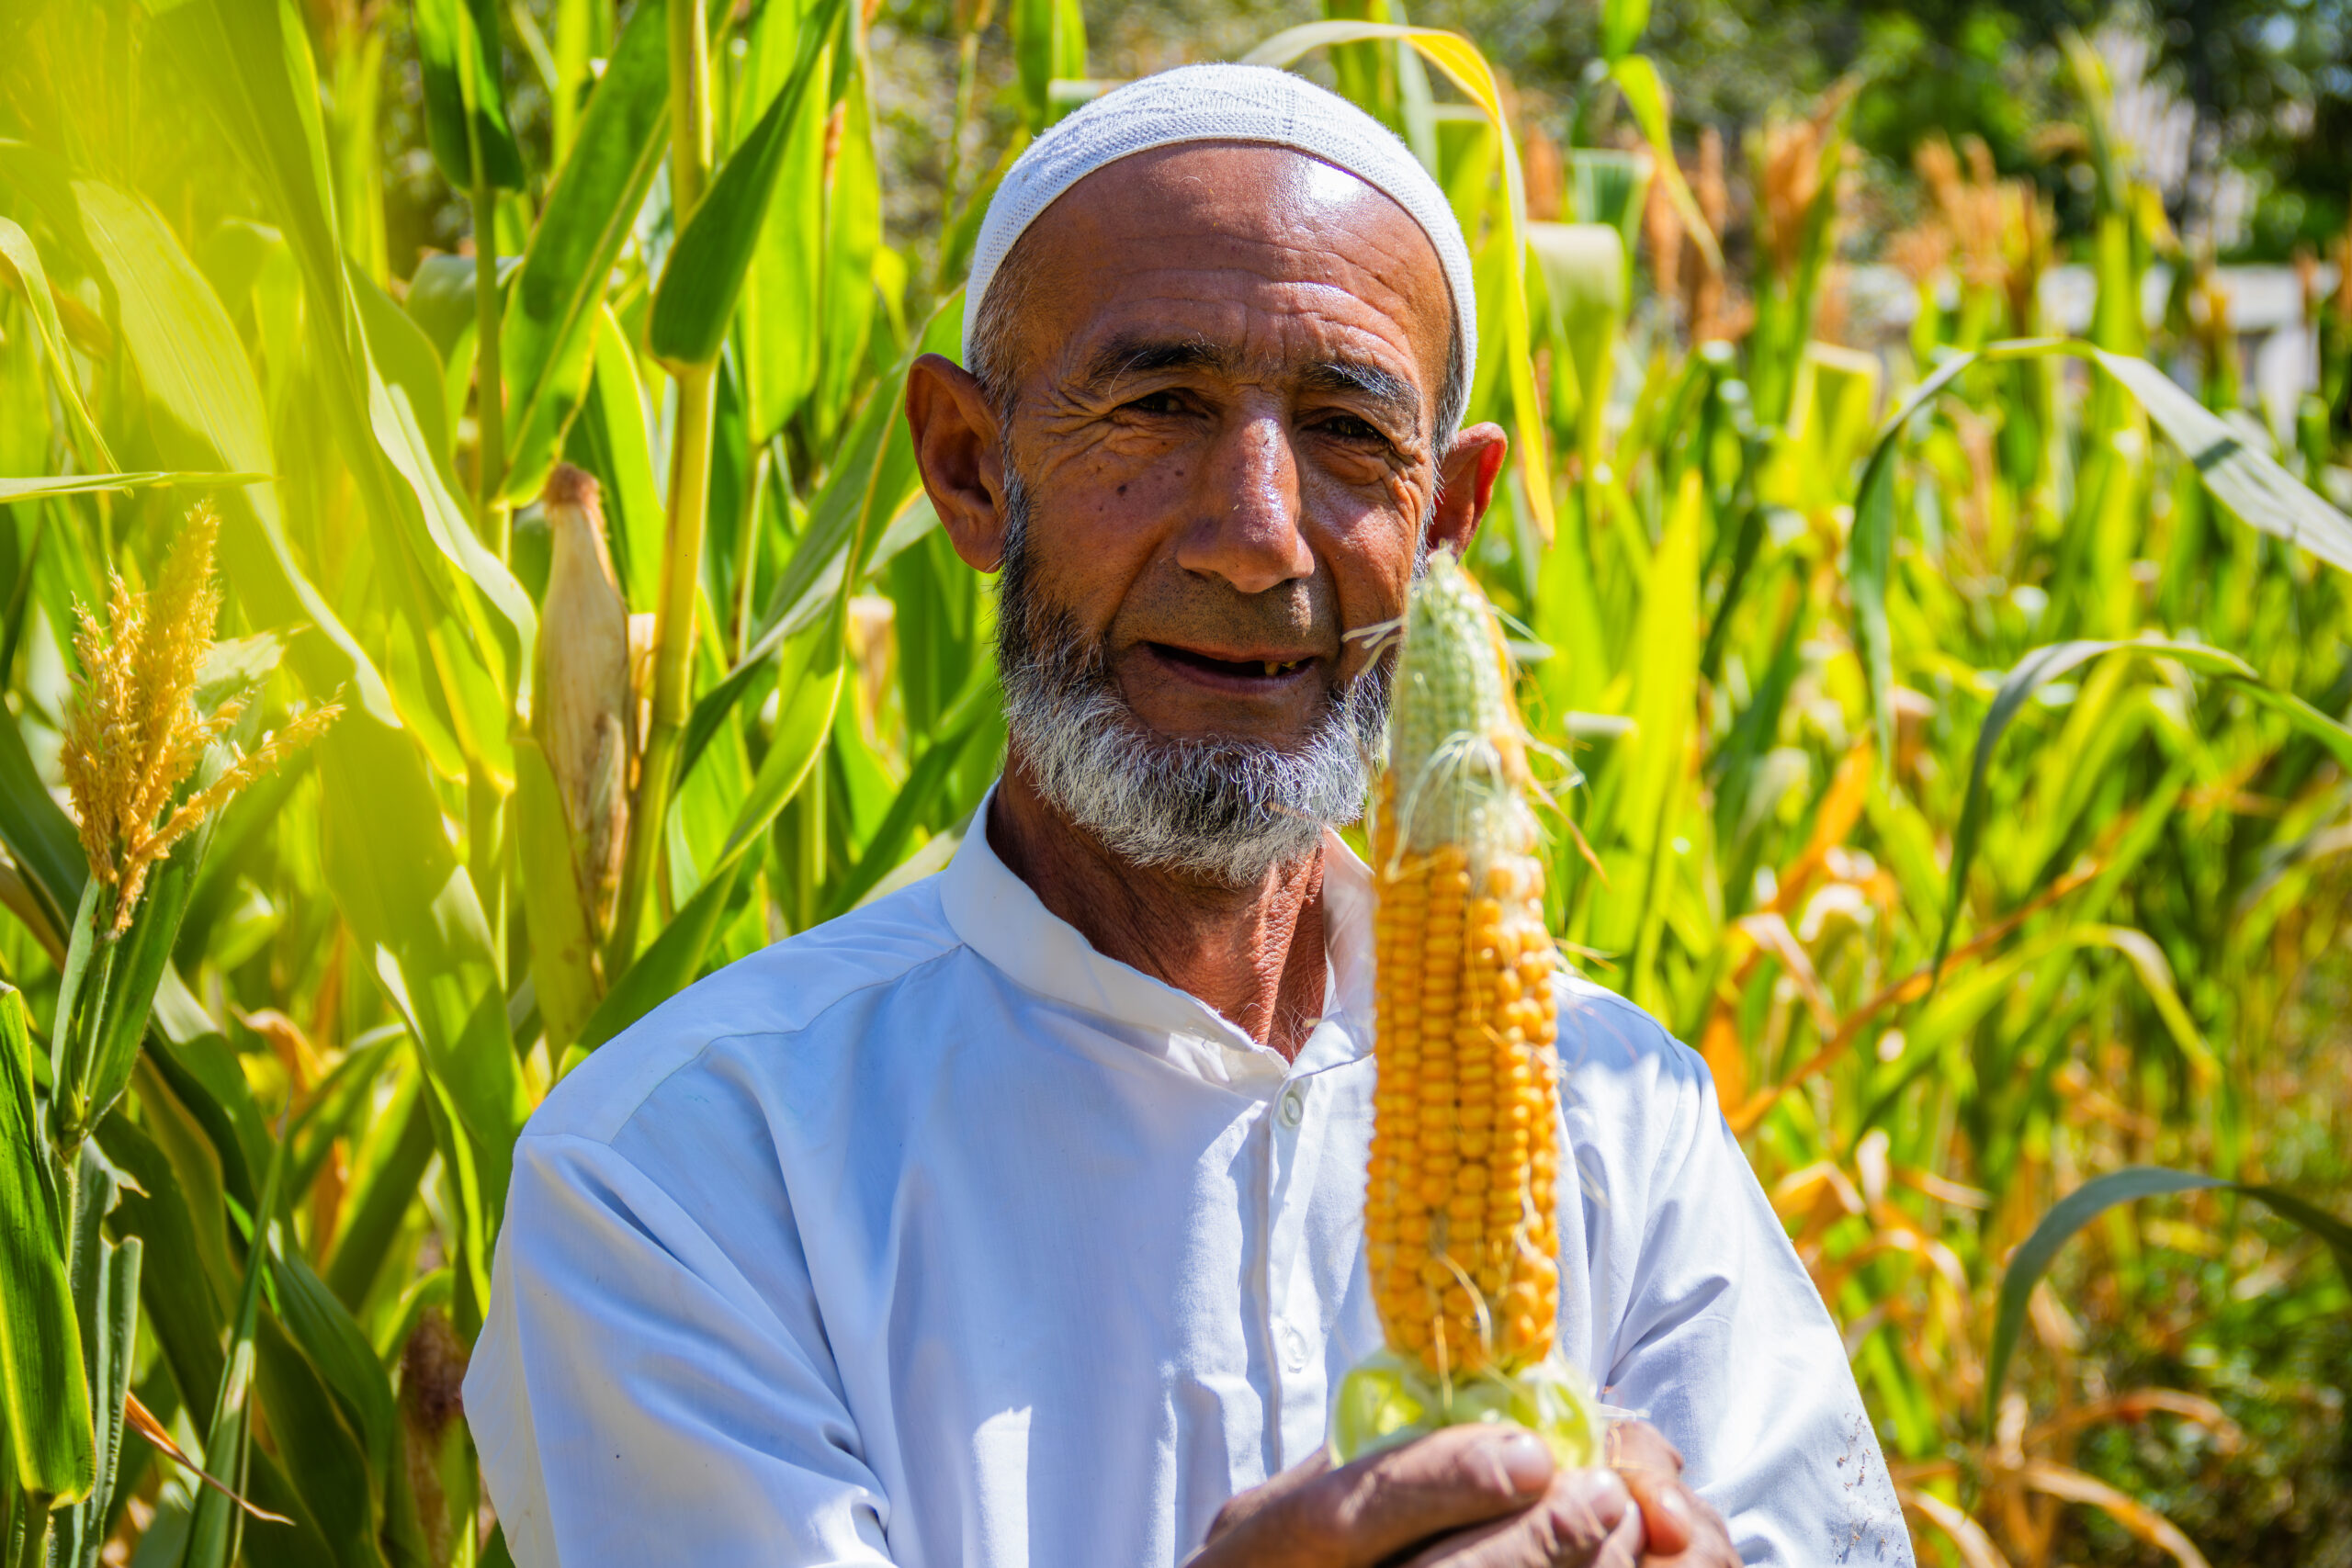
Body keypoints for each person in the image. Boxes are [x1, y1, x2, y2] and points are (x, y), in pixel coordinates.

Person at [464, 63, 1913, 1568]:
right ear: (969, 467)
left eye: (1349, 432)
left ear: (1447, 517)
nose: (1255, 538)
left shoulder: (1626, 1118)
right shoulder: (688, 1173)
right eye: (1159, 407)